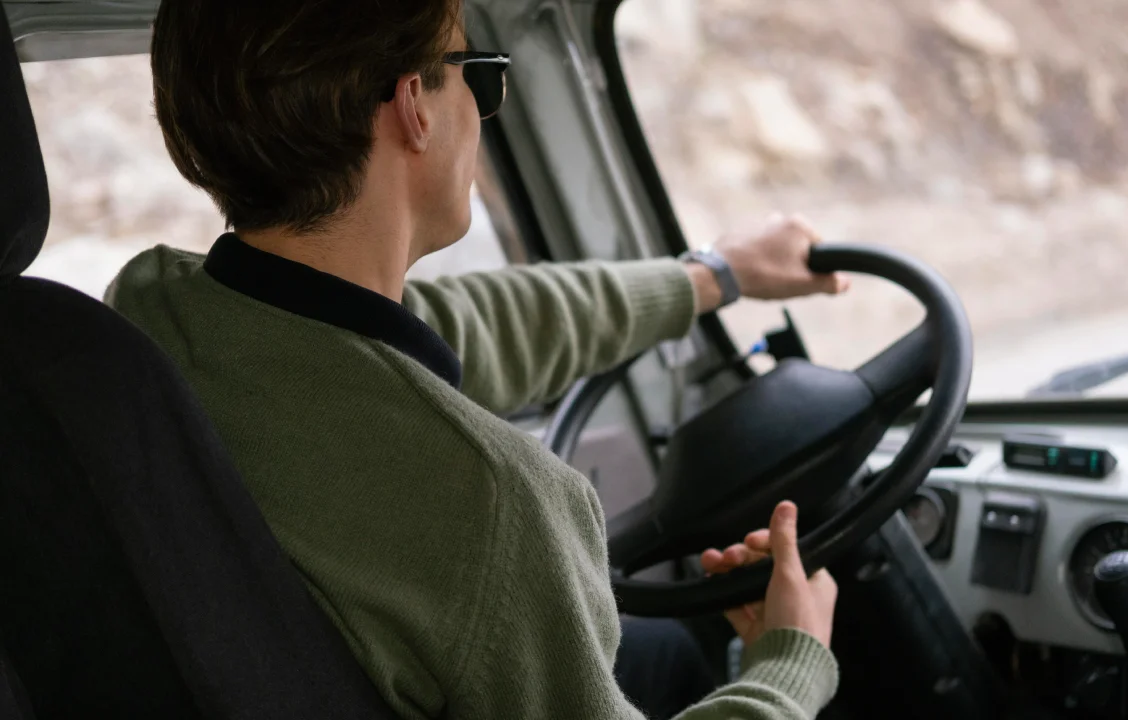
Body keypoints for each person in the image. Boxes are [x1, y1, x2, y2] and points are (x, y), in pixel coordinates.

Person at [105, 0, 848, 717]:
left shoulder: (150, 313)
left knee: (666, 656)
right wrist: (789, 662)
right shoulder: (494, 505)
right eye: (480, 74)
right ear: (414, 107)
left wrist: (715, 275)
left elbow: (471, 325)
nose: (483, 109)